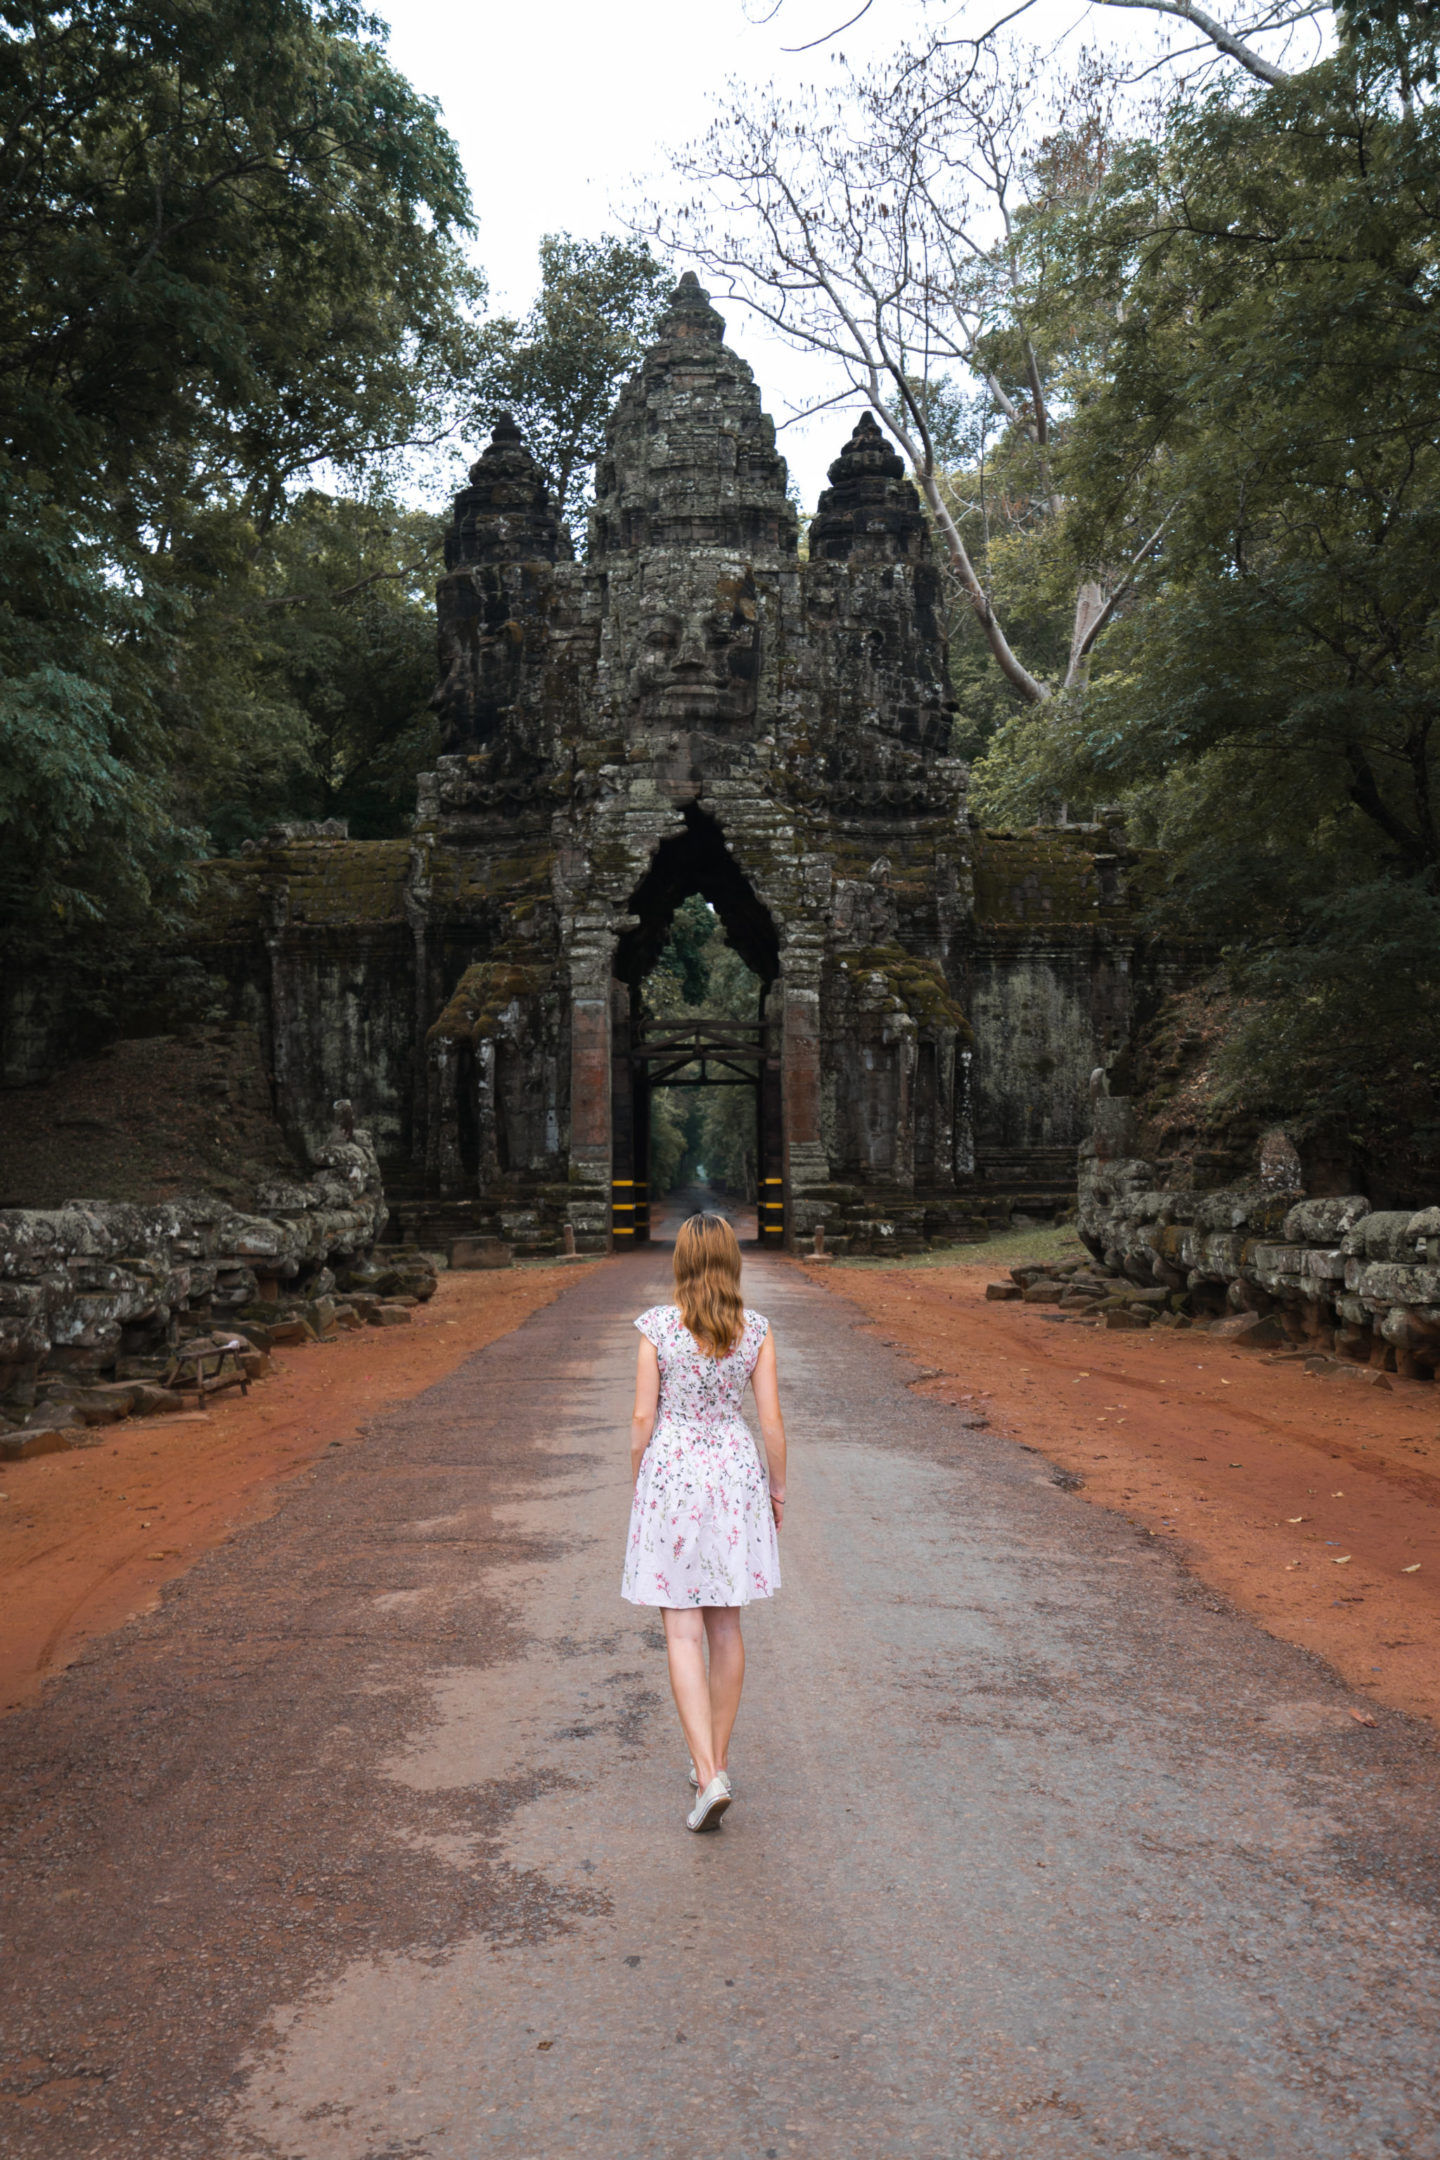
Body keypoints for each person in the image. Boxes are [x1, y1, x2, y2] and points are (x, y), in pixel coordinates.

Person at [622, 1211, 786, 1831]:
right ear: (732, 1260)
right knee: (726, 1630)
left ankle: (707, 1770)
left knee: (683, 1632)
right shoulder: (757, 1330)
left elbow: (643, 1417)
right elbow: (771, 1422)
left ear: (682, 1262)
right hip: (735, 1471)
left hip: (674, 1473)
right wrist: (777, 1491)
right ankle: (713, 1763)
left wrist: (640, 1478)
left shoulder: (658, 1327)